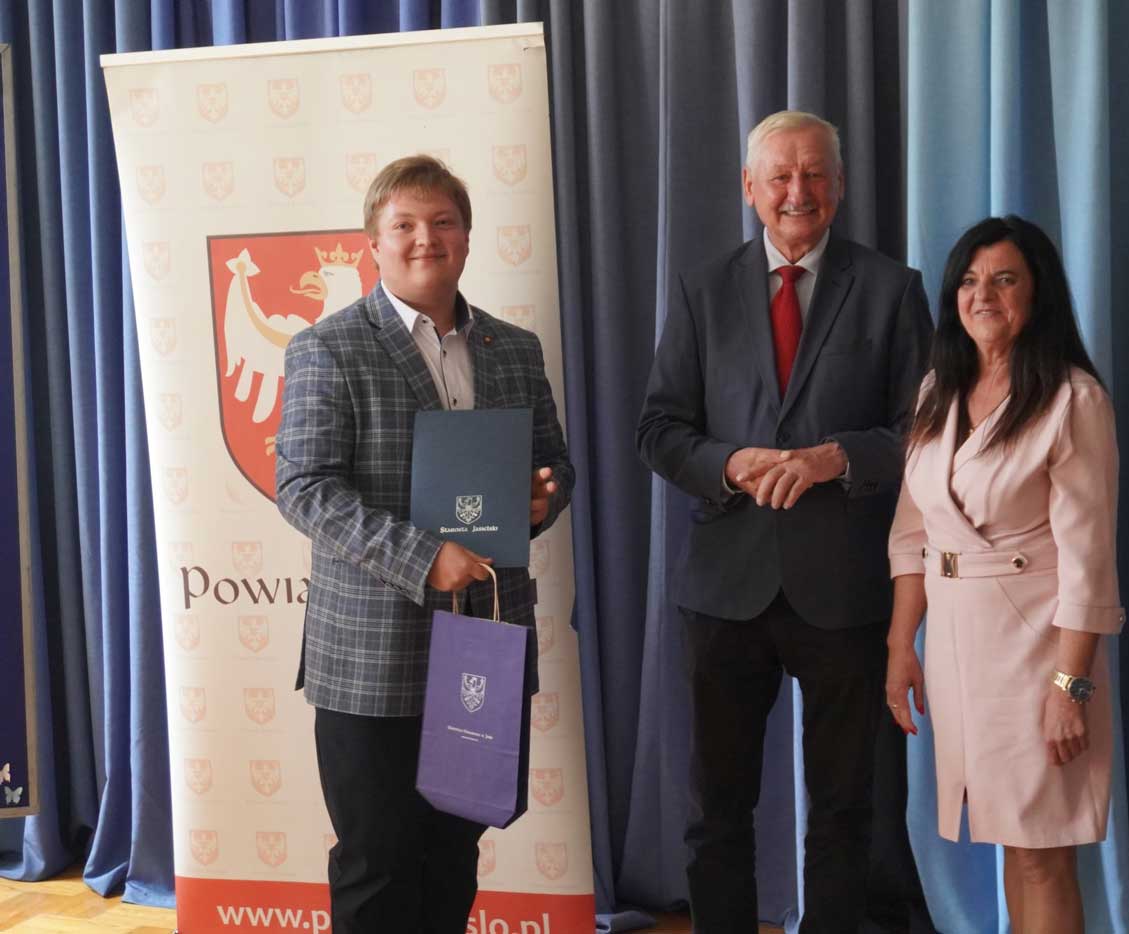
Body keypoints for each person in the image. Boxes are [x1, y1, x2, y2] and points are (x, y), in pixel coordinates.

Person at [636, 110, 933, 933]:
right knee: (716, 810)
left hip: (844, 588)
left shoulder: (892, 289)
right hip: (724, 588)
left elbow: (926, 432)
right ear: (749, 188)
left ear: (839, 186)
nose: (797, 191)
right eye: (779, 176)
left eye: (813, 174)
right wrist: (731, 464)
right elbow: (659, 430)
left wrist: (836, 458)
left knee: (844, 811)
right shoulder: (702, 291)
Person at [275, 155, 572, 933]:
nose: (425, 239)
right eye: (403, 224)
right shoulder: (327, 348)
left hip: (483, 644)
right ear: (372, 242)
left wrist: (542, 497)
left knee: (451, 857)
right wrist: (422, 557)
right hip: (371, 656)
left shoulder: (515, 348)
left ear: (467, 237)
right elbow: (303, 487)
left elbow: (555, 463)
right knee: (377, 865)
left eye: (443, 222)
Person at [885, 215, 1125, 933]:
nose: (982, 294)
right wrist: (901, 646)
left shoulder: (1073, 400)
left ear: (1037, 292)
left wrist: (1069, 689)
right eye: (968, 280)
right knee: (1009, 843)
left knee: (1041, 852)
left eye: (1004, 279)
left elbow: (1090, 562)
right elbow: (913, 532)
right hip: (956, 650)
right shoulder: (939, 391)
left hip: (1038, 653)